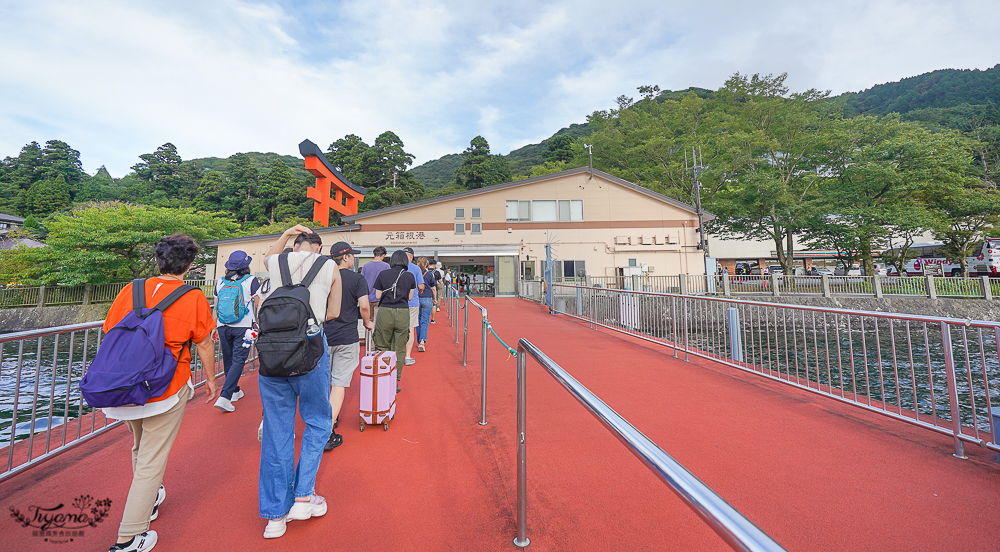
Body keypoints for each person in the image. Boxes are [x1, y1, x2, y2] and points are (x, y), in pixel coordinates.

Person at [104, 234, 218, 552]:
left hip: (123, 383)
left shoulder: (132, 288)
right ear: (190, 264)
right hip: (165, 387)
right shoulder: (192, 296)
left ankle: (150, 500)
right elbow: (204, 342)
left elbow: (110, 329)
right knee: (152, 459)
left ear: (158, 259)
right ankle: (128, 538)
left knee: (141, 446)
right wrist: (210, 379)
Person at [258, 225, 342, 540]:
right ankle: (303, 496)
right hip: (310, 348)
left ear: (294, 246)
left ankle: (274, 518)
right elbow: (333, 312)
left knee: (277, 432)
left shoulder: (277, 261)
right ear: (317, 249)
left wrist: (286, 232)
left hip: (272, 353)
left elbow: (269, 255)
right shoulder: (329, 265)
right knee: (318, 421)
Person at [323, 241, 373, 451]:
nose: (353, 259)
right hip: (346, 336)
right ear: (345, 257)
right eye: (352, 255)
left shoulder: (323, 277)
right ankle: (328, 429)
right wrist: (367, 322)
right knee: (339, 383)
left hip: (323, 335)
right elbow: (364, 305)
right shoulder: (356, 278)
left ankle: (323, 419)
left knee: (324, 381)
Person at [211, 250, 261, 413]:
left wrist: (214, 326)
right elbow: (259, 304)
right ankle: (225, 397)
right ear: (246, 266)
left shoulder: (220, 282)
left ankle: (234, 391)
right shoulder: (251, 281)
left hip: (223, 325)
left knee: (228, 359)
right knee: (239, 359)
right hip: (244, 326)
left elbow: (216, 306)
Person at [372, 250, 416, 392]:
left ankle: (383, 377)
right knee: (399, 348)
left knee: (382, 345)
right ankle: (395, 381)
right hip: (402, 312)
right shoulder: (409, 276)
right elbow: (410, 298)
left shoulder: (383, 274)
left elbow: (378, 295)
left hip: (385, 311)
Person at [402, 247, 424, 366]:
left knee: (398, 329)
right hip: (412, 302)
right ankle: (408, 356)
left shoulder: (395, 268)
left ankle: (396, 355)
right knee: (410, 328)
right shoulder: (415, 268)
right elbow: (421, 286)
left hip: (396, 303)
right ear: (411, 256)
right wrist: (418, 292)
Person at [360, 246, 389, 326]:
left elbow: (362, 282)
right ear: (383, 255)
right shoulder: (386, 266)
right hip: (381, 298)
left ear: (374, 255)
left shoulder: (365, 266)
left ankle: (368, 338)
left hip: (367, 298)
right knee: (379, 322)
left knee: (368, 322)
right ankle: (376, 338)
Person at [416, 257, 437, 352]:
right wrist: (435, 299)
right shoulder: (429, 274)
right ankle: (422, 341)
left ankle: (418, 340)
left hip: (416, 298)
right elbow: (433, 288)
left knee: (417, 321)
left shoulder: (414, 273)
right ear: (426, 265)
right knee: (424, 321)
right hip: (427, 298)